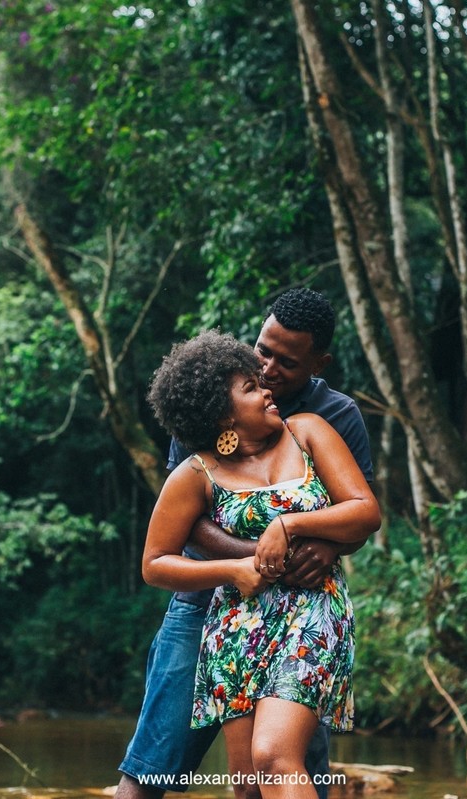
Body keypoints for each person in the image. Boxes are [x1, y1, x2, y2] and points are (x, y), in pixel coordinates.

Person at [115, 288, 374, 799]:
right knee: (157, 766)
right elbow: (182, 524)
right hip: (209, 608)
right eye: (262, 353)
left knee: (288, 761)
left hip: (306, 608)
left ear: (318, 363)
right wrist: (252, 559)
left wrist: (312, 541)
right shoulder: (209, 390)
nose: (269, 371)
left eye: (286, 362)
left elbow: (359, 515)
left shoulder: (328, 418)